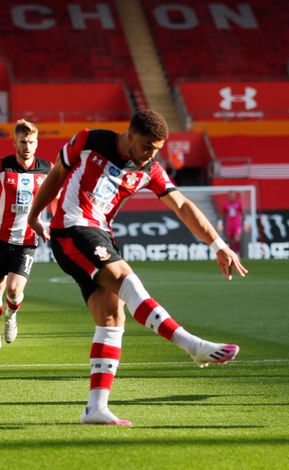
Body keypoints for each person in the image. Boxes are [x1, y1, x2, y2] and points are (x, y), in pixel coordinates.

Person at [27, 110, 247, 426]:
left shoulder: (150, 170)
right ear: (130, 135)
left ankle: (95, 408)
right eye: (147, 146)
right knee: (124, 278)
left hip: (100, 232)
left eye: (157, 149)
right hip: (72, 228)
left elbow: (182, 206)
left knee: (111, 318)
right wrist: (36, 215)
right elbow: (57, 174)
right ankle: (192, 345)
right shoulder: (90, 140)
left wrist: (218, 245)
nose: (151, 154)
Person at [0, 119, 52, 357]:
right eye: (23, 141)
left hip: (27, 240)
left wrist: (50, 222)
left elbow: (57, 197)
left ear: (37, 143)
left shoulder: (47, 169)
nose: (27, 146)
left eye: (32, 142)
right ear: (15, 142)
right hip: (1, 238)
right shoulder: (3, 166)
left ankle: (11, 316)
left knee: (13, 291)